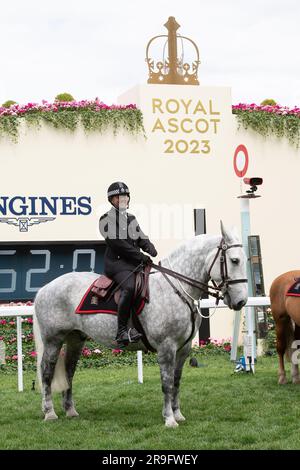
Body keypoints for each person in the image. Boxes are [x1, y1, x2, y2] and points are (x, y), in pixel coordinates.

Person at [99, 182, 158, 346]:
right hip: (117, 264)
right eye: (119, 197)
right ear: (112, 200)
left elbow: (140, 237)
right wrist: (140, 256)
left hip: (133, 263)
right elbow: (119, 244)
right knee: (130, 287)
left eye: (125, 196)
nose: (123, 199)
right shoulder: (105, 219)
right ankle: (122, 330)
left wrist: (149, 247)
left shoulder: (131, 218)